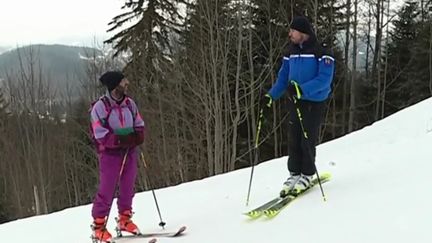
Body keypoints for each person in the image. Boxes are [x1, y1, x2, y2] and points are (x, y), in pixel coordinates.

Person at [263, 16, 335, 197]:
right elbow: (283, 78)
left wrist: (301, 89)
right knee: (294, 138)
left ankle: (307, 174)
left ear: (303, 33)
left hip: (313, 101)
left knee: (307, 138)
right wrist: (270, 96)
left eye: (293, 31)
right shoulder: (291, 53)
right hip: (295, 100)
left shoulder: (321, 52)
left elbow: (324, 80)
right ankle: (294, 174)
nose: (290, 34)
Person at [90, 71, 145, 242]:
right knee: (107, 189)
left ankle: (125, 219)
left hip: (129, 152)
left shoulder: (130, 104)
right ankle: (98, 226)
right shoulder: (100, 107)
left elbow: (139, 123)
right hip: (110, 154)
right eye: (123, 81)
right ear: (115, 85)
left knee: (128, 186)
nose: (127, 83)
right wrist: (120, 140)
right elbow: (100, 133)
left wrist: (137, 136)